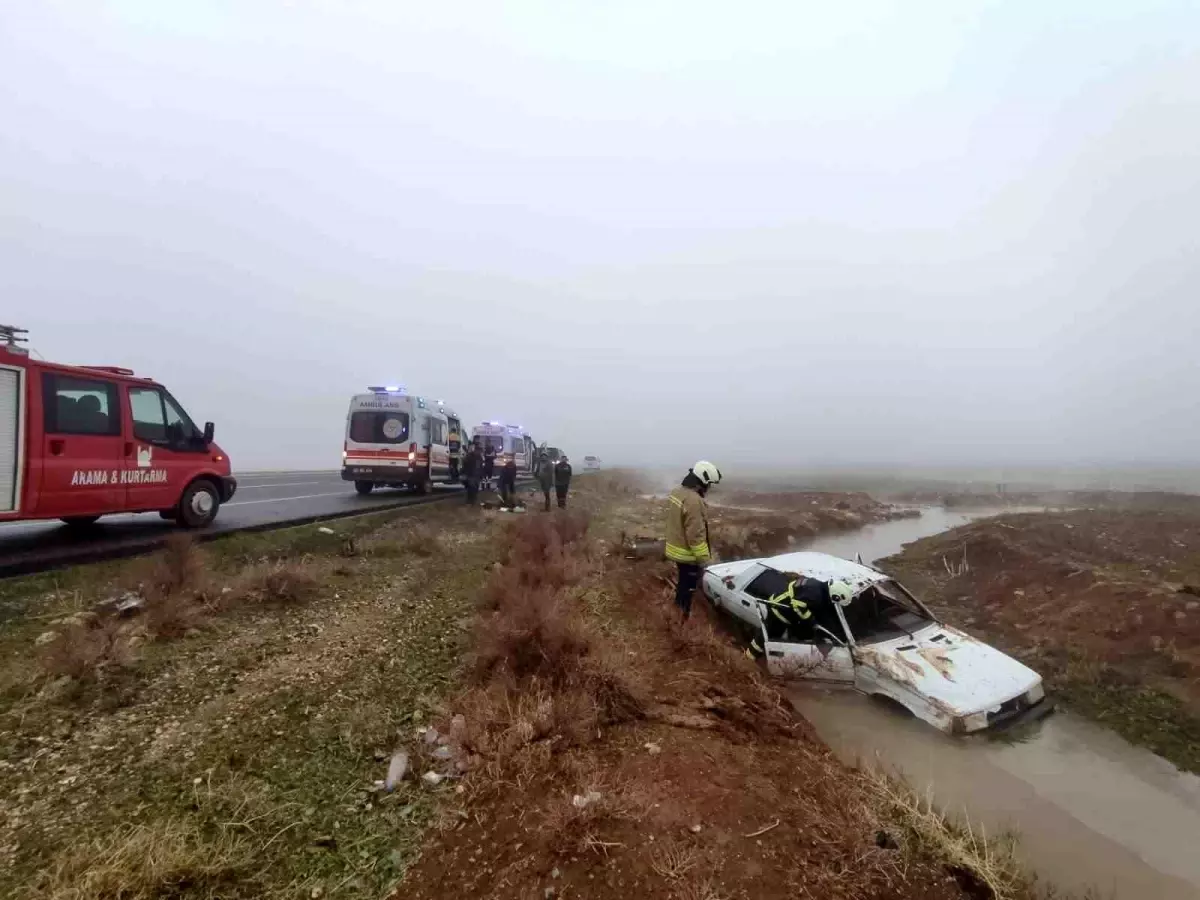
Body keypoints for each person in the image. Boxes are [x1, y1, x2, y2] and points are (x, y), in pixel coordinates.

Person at [664, 461, 722, 621]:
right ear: (701, 482)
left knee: (682, 584)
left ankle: (676, 615)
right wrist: (704, 560)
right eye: (709, 483)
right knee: (687, 589)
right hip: (687, 555)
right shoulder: (694, 501)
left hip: (675, 548)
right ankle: (681, 623)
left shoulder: (677, 492)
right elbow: (695, 535)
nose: (709, 488)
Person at [748, 577, 854, 657]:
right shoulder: (816, 595)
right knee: (770, 636)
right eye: (837, 601)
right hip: (779, 610)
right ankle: (748, 658)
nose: (836, 603)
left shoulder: (819, 586)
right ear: (835, 596)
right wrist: (811, 621)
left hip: (782, 601)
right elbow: (797, 606)